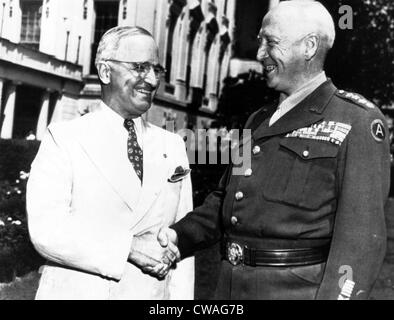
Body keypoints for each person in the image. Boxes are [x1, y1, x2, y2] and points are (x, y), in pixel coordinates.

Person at [158, 1, 390, 300]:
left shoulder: (357, 120)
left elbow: (361, 241)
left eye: (271, 42)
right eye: (259, 42)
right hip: (230, 289)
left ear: (309, 47)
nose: (259, 54)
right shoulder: (258, 120)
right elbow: (226, 199)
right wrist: (180, 236)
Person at [26, 26, 194, 300]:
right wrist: (128, 248)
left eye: (156, 69)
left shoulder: (172, 145)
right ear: (105, 72)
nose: (151, 80)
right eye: (140, 67)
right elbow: (47, 229)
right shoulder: (65, 138)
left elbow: (183, 241)